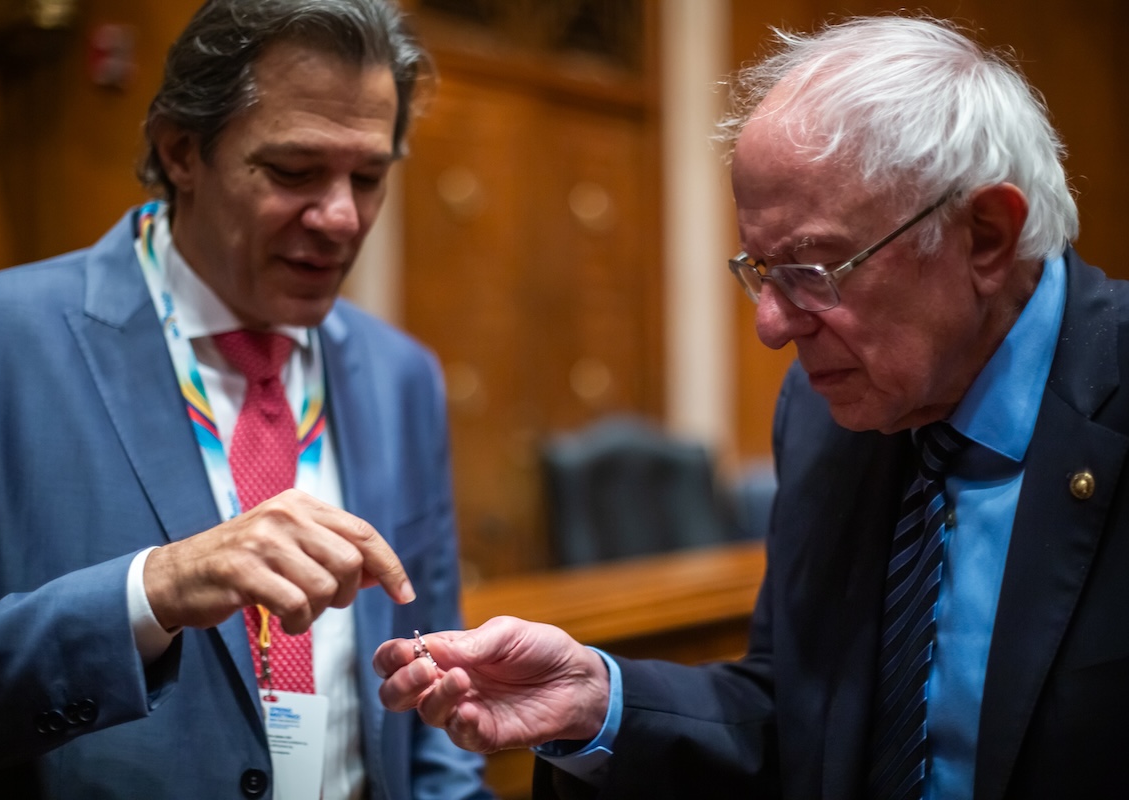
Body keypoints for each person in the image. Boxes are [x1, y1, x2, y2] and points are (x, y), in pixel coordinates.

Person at [374, 14, 1129, 799]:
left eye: (813, 269)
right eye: (762, 269)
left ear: (985, 236)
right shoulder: (822, 416)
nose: (770, 326)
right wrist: (599, 702)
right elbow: (799, 720)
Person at [0, 1, 491, 798]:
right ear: (181, 150)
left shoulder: (403, 376)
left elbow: (433, 698)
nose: (340, 216)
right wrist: (152, 591)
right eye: (295, 171)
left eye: (368, 177)